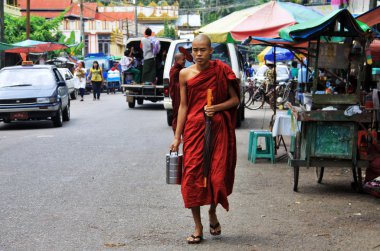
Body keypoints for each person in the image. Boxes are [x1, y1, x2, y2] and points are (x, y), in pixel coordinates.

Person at [170, 34, 240, 244]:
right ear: (191, 52)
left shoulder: (221, 70)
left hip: (217, 129)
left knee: (216, 177)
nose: (198, 54)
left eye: (203, 50)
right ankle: (198, 226)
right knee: (191, 178)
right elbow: (183, 106)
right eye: (195, 50)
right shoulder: (184, 74)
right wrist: (177, 137)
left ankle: (212, 211)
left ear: (211, 51)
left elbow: (235, 99)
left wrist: (215, 108)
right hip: (193, 130)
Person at [169, 52, 186, 133]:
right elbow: (176, 84)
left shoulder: (180, 69)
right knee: (178, 113)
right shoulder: (175, 70)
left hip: (180, 94)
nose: (185, 61)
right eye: (183, 60)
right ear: (177, 60)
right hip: (177, 95)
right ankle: (177, 133)